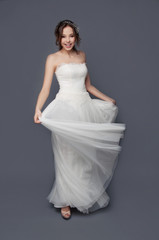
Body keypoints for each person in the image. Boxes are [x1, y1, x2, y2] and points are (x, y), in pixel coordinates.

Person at [34, 19, 126, 220]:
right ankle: (65, 200)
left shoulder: (82, 55)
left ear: (76, 37)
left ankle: (81, 196)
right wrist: (38, 108)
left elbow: (89, 86)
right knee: (66, 155)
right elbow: (45, 89)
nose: (68, 40)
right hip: (65, 109)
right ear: (58, 38)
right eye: (64, 36)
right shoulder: (53, 58)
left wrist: (106, 98)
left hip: (84, 107)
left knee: (83, 156)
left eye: (71, 36)